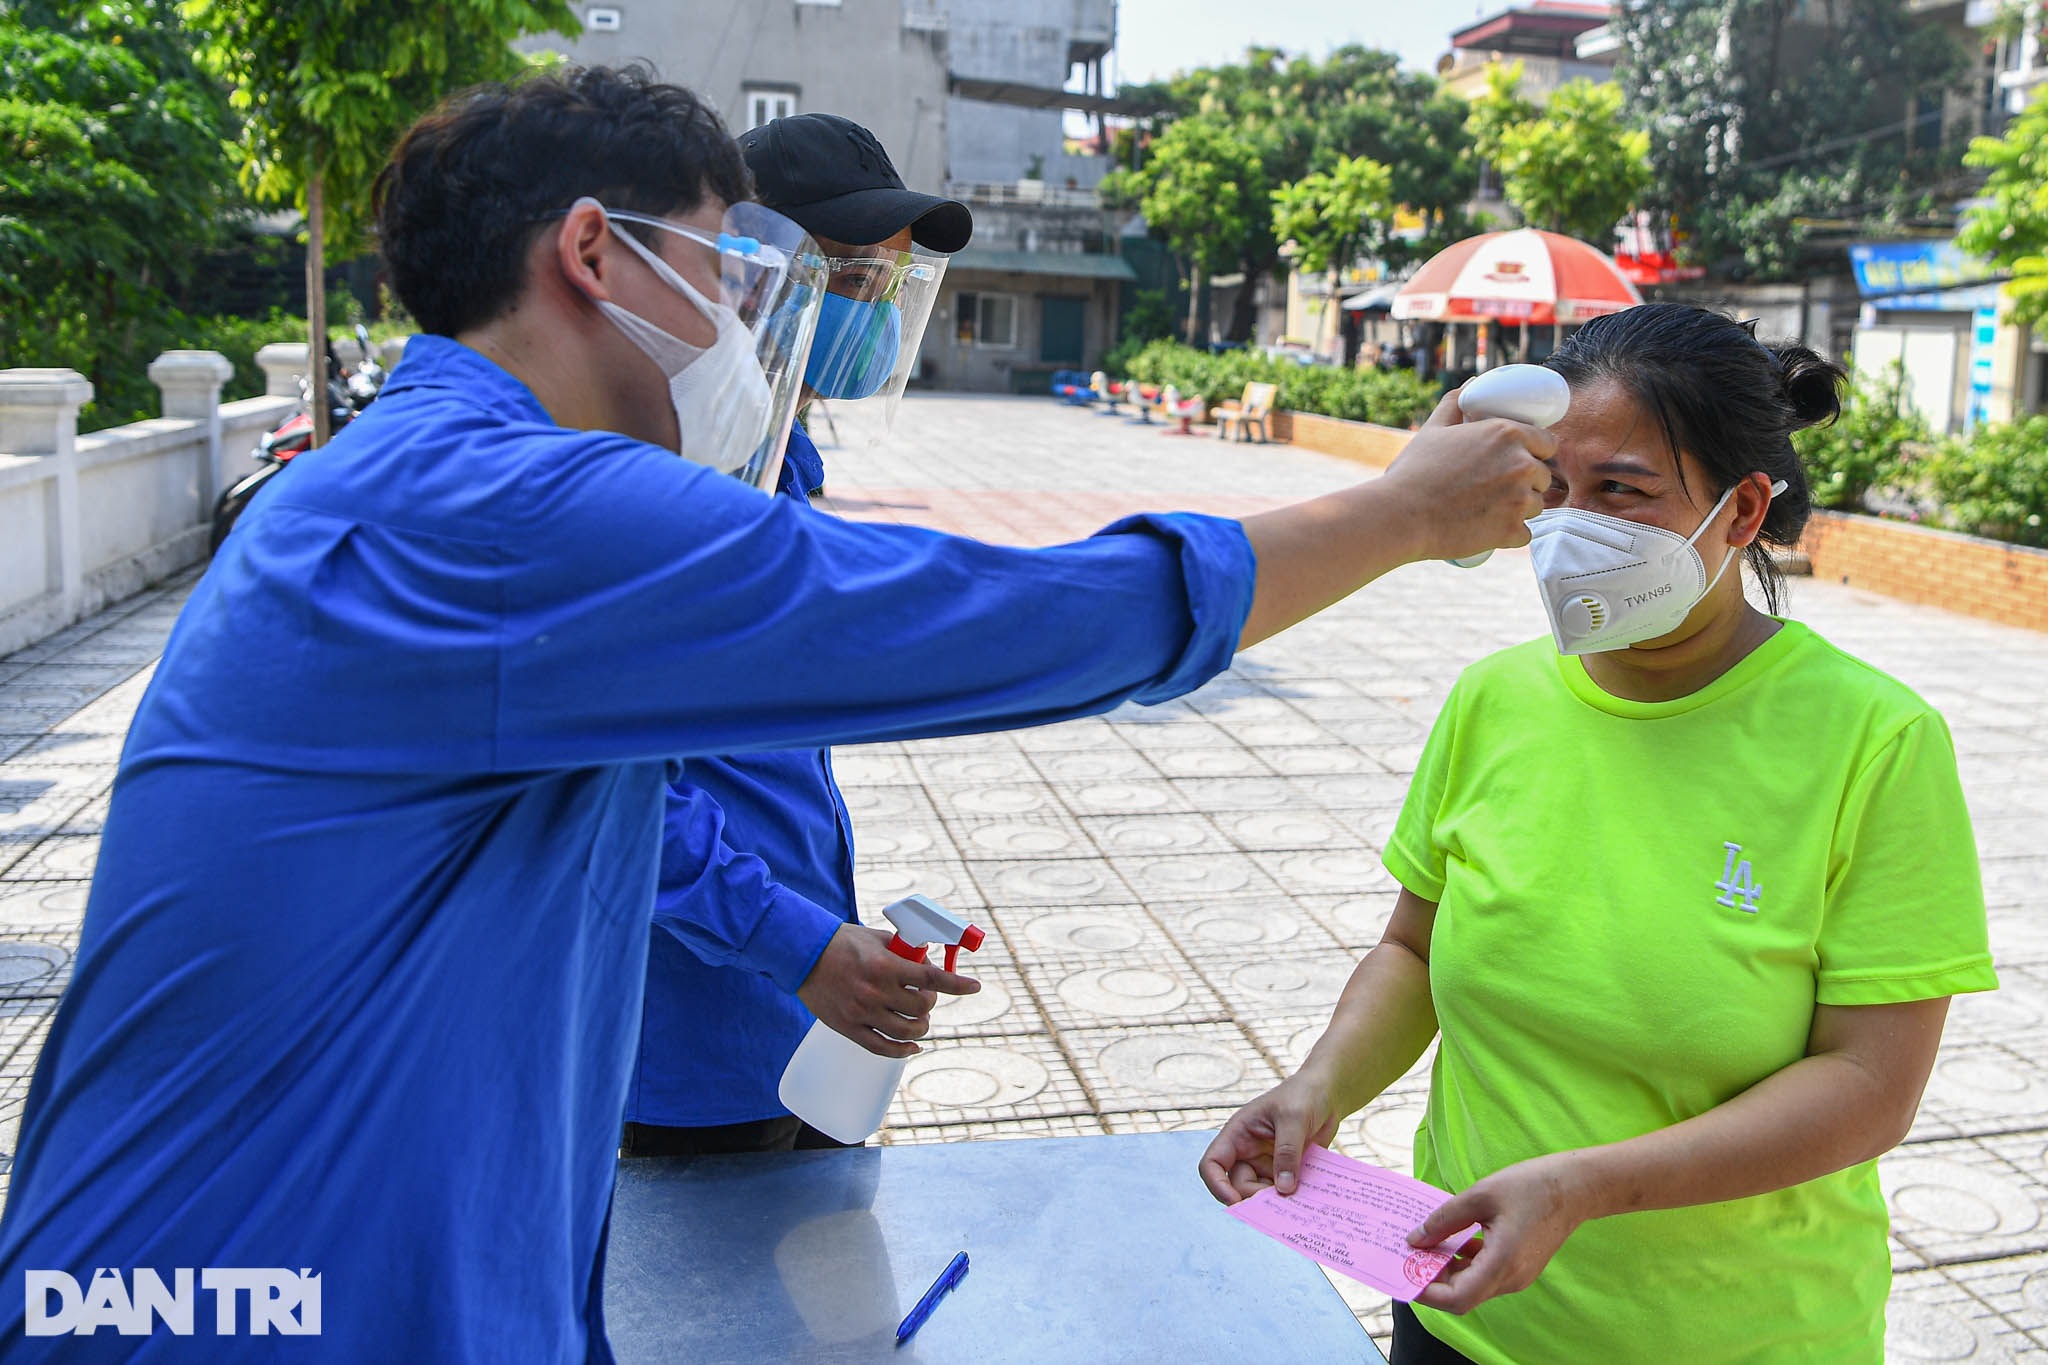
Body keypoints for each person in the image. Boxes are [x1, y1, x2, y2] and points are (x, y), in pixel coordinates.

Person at [0, 66, 1551, 1360]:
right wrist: (1403, 514)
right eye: (739, 280)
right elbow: (1005, 621)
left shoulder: (445, 480)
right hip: (231, 1291)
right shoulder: (493, 509)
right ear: (595, 256)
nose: (761, 332)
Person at [1201, 303, 1997, 1365]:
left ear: (1742, 510)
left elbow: (1865, 1087)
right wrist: (1319, 1086)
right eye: (1552, 489)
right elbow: (1411, 952)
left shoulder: (1872, 741)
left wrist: (1588, 1187)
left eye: (1621, 492)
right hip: (1456, 1307)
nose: (1570, 528)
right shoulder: (1494, 699)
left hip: (1727, 1337)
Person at [621, 113, 976, 1159]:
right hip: (679, 1048)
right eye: (852, 282)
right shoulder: (676, 483)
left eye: (887, 290)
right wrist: (796, 941)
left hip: (794, 1014)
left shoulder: (779, 469)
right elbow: (627, 797)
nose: (871, 316)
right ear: (745, 276)